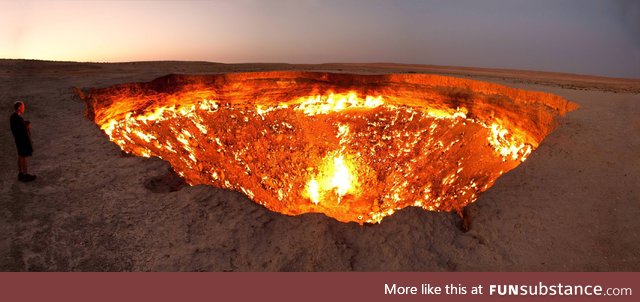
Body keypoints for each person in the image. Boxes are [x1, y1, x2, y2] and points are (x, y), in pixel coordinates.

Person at [10, 101, 36, 182]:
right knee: (23, 156)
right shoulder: (16, 117)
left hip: (19, 139)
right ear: (19, 108)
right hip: (21, 140)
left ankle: (21, 173)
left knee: (21, 156)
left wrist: (25, 123)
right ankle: (25, 174)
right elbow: (20, 129)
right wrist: (26, 125)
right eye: (22, 106)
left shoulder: (14, 116)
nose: (23, 108)